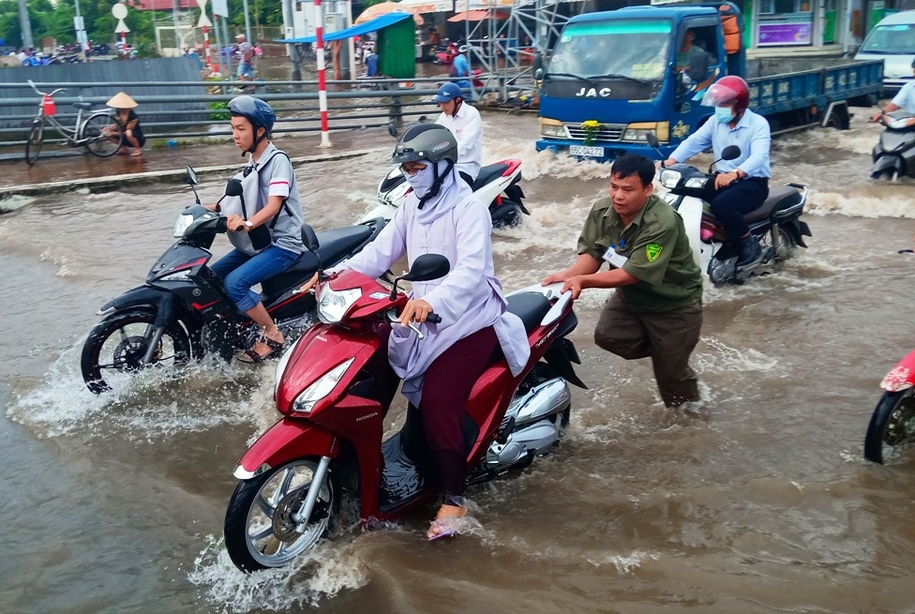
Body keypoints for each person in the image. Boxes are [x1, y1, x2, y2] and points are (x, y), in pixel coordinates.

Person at [306, 123, 530, 539]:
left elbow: (471, 272)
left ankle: (455, 498)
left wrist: (433, 301)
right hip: (420, 313)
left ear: (443, 166)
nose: (411, 175)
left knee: (438, 401)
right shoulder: (412, 204)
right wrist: (333, 275)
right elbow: (379, 253)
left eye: (417, 167)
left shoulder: (469, 208)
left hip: (468, 318)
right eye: (406, 169)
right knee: (371, 364)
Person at [543, 155, 703, 408]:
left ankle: (691, 416)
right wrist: (571, 274)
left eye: (627, 190)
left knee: (673, 381)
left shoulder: (662, 221)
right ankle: (668, 351)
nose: (618, 196)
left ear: (648, 189)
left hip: (673, 303)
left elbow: (632, 273)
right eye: (614, 187)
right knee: (607, 336)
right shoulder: (602, 211)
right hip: (631, 295)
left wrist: (583, 281)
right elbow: (593, 254)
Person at [211, 96, 305, 364]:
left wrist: (248, 223)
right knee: (211, 278)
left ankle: (272, 333)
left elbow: (274, 205)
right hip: (257, 242)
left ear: (260, 130)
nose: (235, 135)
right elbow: (236, 199)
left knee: (235, 283)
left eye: (241, 128)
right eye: (233, 128)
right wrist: (205, 210)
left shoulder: (278, 161)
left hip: (282, 244)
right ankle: (237, 326)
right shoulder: (252, 163)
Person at [661, 75, 771, 266]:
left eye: (725, 103)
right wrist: (670, 161)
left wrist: (736, 173)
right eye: (718, 103)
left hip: (752, 183)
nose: (720, 107)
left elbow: (759, 156)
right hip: (722, 180)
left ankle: (748, 242)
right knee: (683, 191)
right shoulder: (715, 121)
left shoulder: (758, 124)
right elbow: (694, 142)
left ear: (739, 104)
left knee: (722, 205)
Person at [434, 82, 483, 184]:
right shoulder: (444, 116)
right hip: (447, 165)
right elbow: (433, 133)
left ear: (457, 100)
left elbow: (465, 143)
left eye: (446, 102)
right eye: (440, 103)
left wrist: (446, 156)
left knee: (445, 188)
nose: (442, 107)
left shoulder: (472, 114)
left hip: (466, 167)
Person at [105, 92, 146, 157]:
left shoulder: (133, 116)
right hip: (123, 135)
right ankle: (123, 148)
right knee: (106, 132)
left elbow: (127, 131)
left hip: (136, 137)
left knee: (128, 132)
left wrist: (115, 133)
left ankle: (137, 149)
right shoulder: (119, 112)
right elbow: (117, 123)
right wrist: (109, 129)